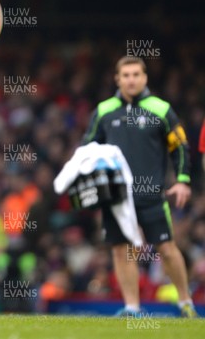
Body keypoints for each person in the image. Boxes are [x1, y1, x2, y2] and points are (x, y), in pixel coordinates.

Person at [83, 56, 197, 318]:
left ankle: (185, 301)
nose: (131, 79)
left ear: (145, 78)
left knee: (167, 248)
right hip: (116, 197)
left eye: (136, 74)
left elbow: (179, 146)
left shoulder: (160, 109)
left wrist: (182, 181)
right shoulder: (103, 111)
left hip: (152, 195)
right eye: (126, 75)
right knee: (122, 250)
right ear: (117, 79)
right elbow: (87, 148)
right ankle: (132, 308)